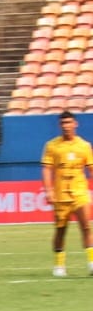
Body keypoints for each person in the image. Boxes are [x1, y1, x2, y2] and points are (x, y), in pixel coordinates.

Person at [41, 110, 93, 277]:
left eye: (69, 122)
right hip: (61, 194)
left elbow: (91, 168)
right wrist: (48, 190)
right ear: (59, 125)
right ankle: (59, 265)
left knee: (86, 226)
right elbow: (47, 169)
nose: (66, 126)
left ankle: (91, 264)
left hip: (79, 192)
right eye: (63, 123)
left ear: (75, 124)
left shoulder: (84, 146)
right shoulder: (52, 146)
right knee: (61, 230)